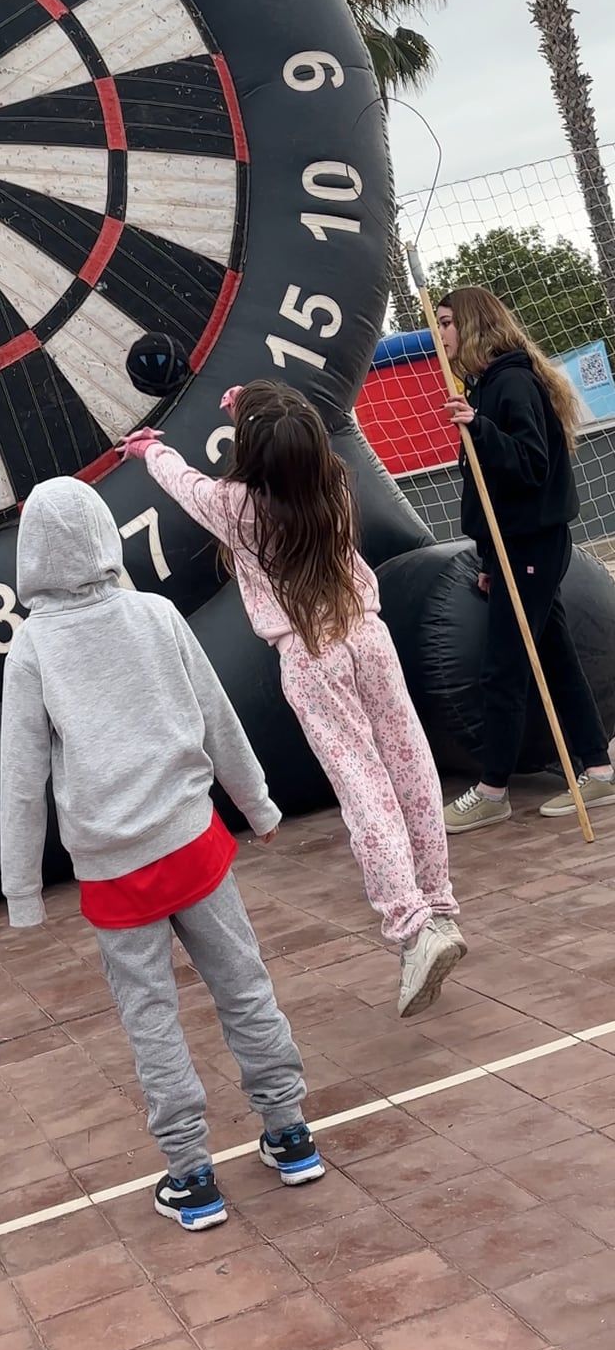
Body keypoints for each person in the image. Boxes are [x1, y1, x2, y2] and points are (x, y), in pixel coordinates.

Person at [0, 475, 325, 1233]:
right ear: (106, 536)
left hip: (114, 870)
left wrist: (21, 891)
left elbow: (22, 782)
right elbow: (217, 715)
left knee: (151, 1020)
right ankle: (290, 1133)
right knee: (244, 984)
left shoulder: (31, 650)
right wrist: (260, 804)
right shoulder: (155, 614)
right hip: (191, 841)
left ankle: (193, 1177)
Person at [124, 382, 465, 1019]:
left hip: (312, 657)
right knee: (411, 764)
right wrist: (251, 406)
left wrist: (148, 450)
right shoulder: (333, 482)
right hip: (368, 634)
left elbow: (184, 481)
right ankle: (439, 904)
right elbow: (294, 433)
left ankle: (412, 927)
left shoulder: (237, 507)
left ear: (252, 453)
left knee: (364, 784)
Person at [437, 286, 615, 831]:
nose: (441, 334)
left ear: (472, 326)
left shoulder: (510, 382)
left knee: (504, 669)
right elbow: (492, 493)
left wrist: (478, 426)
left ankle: (493, 790)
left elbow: (530, 465)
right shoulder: (488, 384)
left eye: (447, 323)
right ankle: (602, 772)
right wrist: (491, 558)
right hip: (515, 546)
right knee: (555, 659)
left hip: (534, 545)